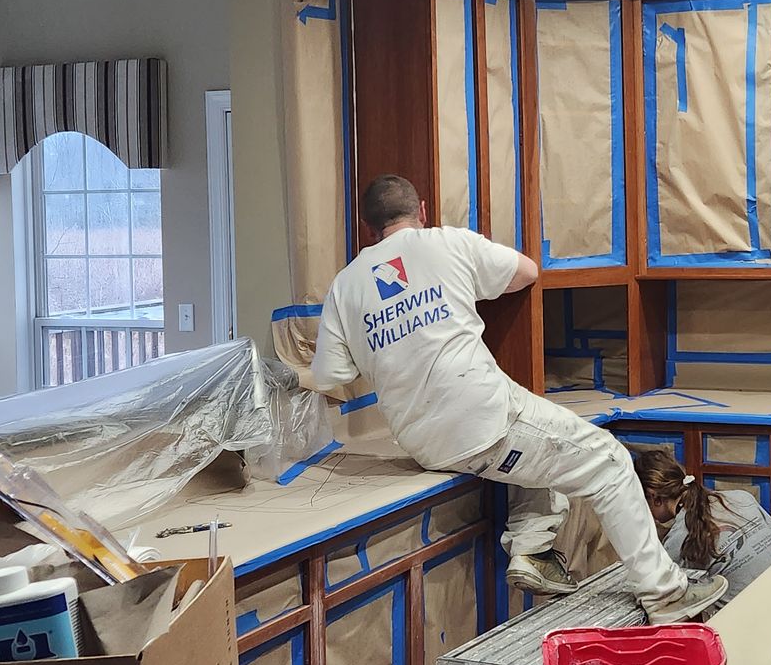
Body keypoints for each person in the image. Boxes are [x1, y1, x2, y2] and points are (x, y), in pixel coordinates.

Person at [309, 174, 727, 623]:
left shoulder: (346, 285)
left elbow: (333, 374)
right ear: (423, 211)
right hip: (483, 418)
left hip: (424, 442)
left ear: (366, 227)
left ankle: (530, 549)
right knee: (609, 463)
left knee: (537, 442)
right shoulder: (446, 242)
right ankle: (664, 593)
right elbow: (527, 271)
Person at [633, 446, 771, 605]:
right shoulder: (741, 497)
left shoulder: (677, 541)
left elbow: (665, 600)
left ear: (654, 497)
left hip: (744, 621)